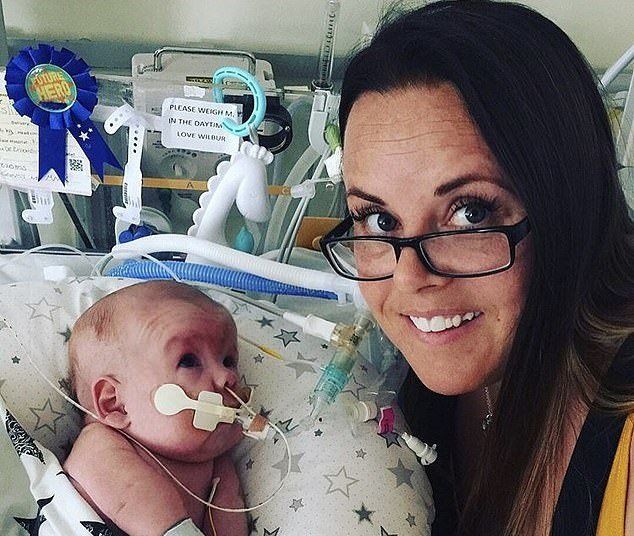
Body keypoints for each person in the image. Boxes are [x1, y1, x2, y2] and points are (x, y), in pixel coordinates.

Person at [319, 1, 634, 534]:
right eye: (378, 219)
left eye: (470, 212)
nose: (409, 279)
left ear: (568, 207)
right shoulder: (407, 396)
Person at [64, 280, 248, 536]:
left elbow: (228, 521)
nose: (228, 377)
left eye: (228, 360)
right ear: (114, 404)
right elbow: (131, 496)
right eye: (189, 361)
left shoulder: (218, 464)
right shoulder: (100, 445)